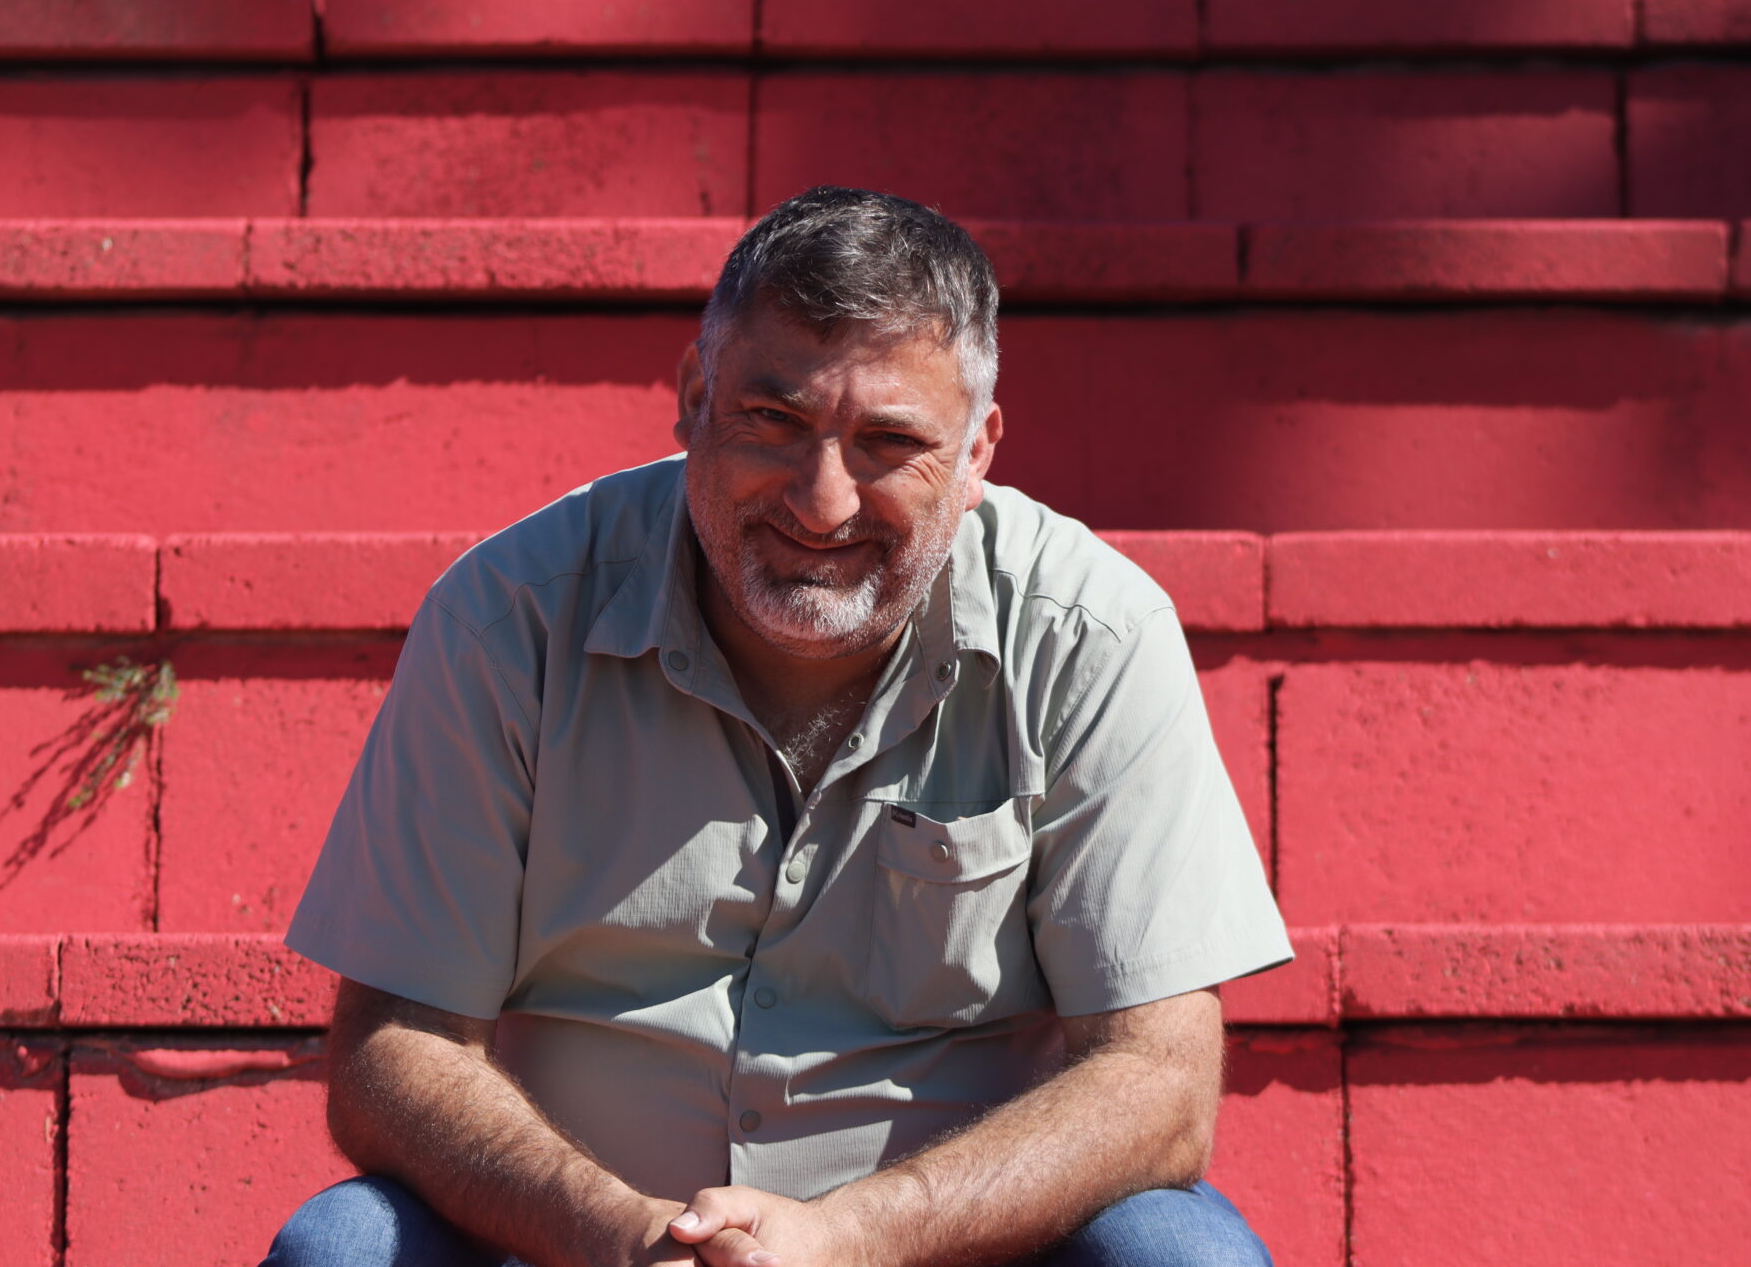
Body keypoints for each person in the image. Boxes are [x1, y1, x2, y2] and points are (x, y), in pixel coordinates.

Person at [263, 186, 1294, 1267]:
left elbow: (1158, 1078)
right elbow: (395, 1044)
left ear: (978, 452)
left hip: (951, 1255)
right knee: (344, 1249)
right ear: (693, 397)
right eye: (774, 421)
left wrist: (854, 1238)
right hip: (578, 1251)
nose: (822, 501)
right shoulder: (508, 617)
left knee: (1184, 1255)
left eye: (890, 441)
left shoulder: (1091, 631)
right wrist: (618, 1232)